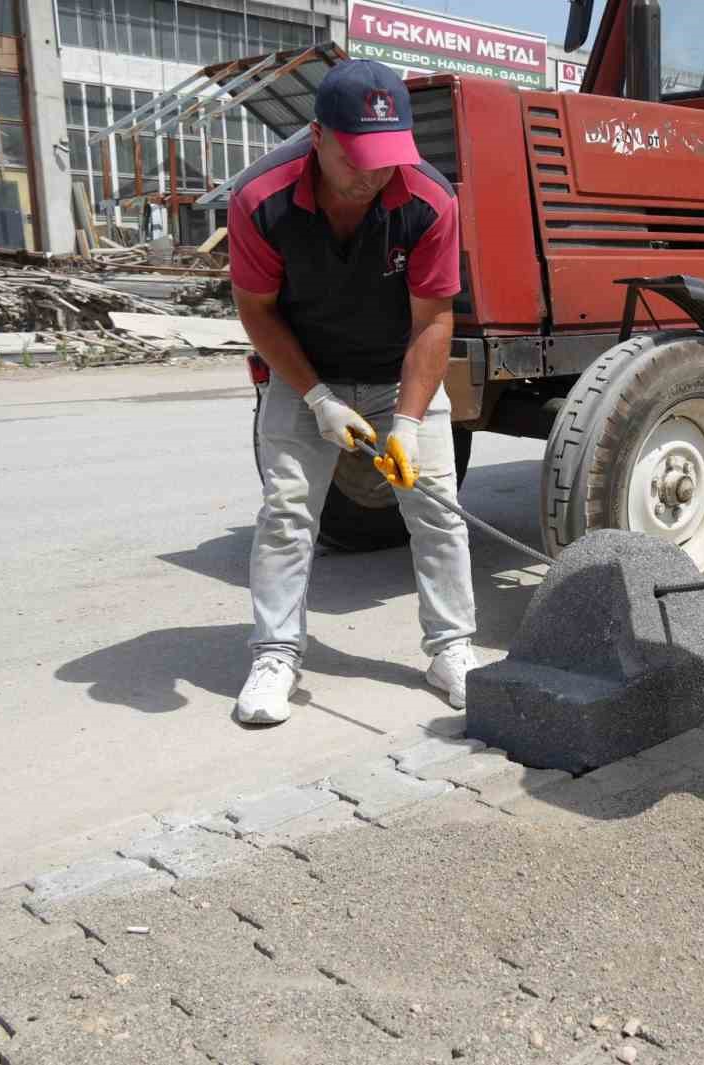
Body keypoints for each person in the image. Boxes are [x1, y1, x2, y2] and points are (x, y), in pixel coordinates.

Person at [227, 60, 478, 725]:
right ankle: (276, 655)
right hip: (304, 370)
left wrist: (407, 420)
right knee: (287, 512)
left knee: (439, 510)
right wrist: (316, 398)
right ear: (317, 136)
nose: (372, 173)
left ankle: (452, 649)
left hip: (399, 371)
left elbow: (433, 319)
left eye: (386, 156)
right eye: (357, 156)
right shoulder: (261, 200)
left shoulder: (428, 199)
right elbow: (256, 310)